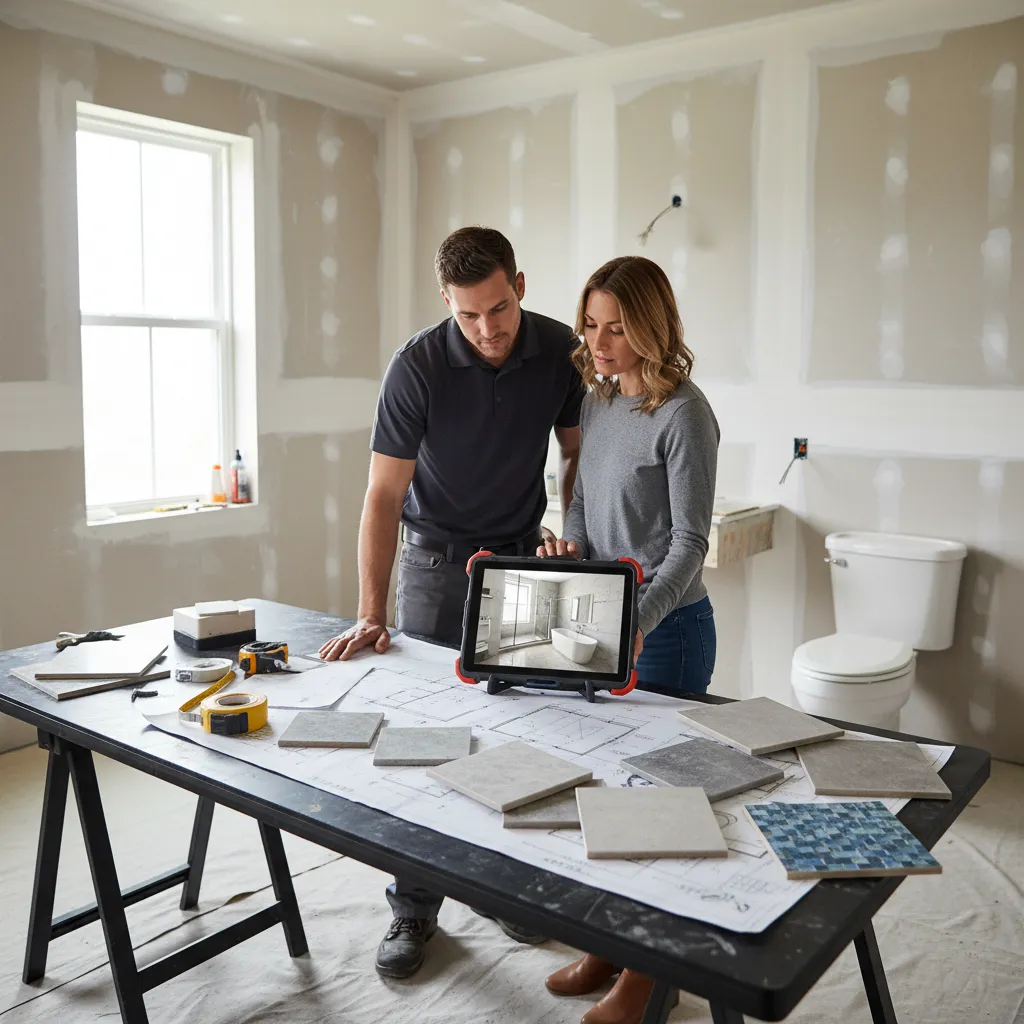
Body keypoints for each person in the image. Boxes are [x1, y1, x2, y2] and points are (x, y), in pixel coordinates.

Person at [317, 226, 584, 979]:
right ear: (446, 302)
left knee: (518, 732)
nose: (488, 329)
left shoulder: (561, 350)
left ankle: (497, 885)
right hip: (434, 565)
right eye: (469, 315)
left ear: (520, 286)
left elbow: (578, 452)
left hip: (522, 563)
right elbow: (382, 494)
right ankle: (414, 905)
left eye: (498, 309)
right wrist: (372, 611)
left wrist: (570, 532)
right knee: (430, 742)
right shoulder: (417, 366)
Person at [538, 255, 719, 1024]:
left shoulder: (685, 414)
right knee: (602, 795)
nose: (601, 341)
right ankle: (611, 946)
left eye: (617, 327)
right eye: (591, 324)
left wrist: (633, 621)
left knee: (657, 808)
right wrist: (570, 552)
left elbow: (688, 546)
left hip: (667, 631)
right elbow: (578, 503)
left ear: (652, 327)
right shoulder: (598, 399)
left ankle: (646, 982)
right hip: (604, 623)